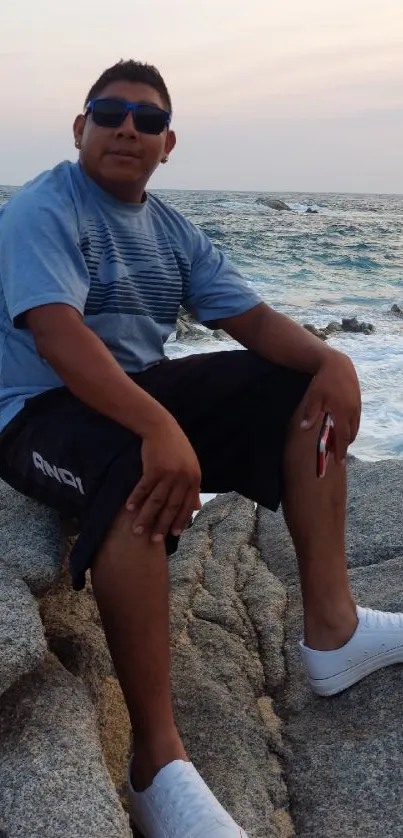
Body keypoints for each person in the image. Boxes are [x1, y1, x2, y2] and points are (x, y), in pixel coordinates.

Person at [0, 59, 402, 838]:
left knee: (294, 388)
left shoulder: (171, 229)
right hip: (34, 411)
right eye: (109, 113)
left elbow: (251, 322)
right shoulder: (43, 207)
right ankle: (155, 763)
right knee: (129, 464)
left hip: (134, 391)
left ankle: (333, 630)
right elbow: (57, 336)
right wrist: (157, 427)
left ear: (167, 143)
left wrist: (332, 361)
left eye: (146, 120)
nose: (127, 127)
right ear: (80, 128)